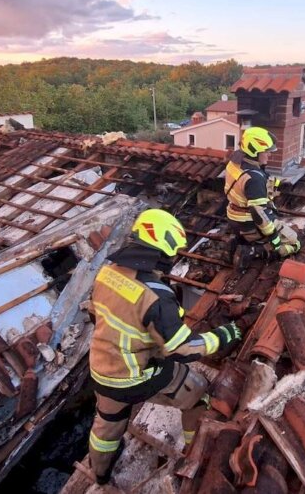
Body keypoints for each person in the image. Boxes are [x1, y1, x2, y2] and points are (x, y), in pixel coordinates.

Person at [87, 208, 242, 485]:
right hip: (134, 378)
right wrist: (222, 336)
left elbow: (98, 315)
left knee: (106, 427)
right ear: (164, 248)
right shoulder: (156, 296)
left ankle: (99, 474)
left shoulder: (107, 273)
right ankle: (194, 451)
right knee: (198, 395)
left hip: (101, 369)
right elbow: (181, 350)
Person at [224, 126, 300, 268]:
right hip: (249, 223)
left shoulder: (236, 161)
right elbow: (259, 213)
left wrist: (278, 184)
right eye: (266, 152)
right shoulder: (254, 178)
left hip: (234, 217)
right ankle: (254, 252)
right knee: (294, 243)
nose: (269, 155)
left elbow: (249, 182)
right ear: (255, 152)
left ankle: (239, 242)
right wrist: (273, 238)